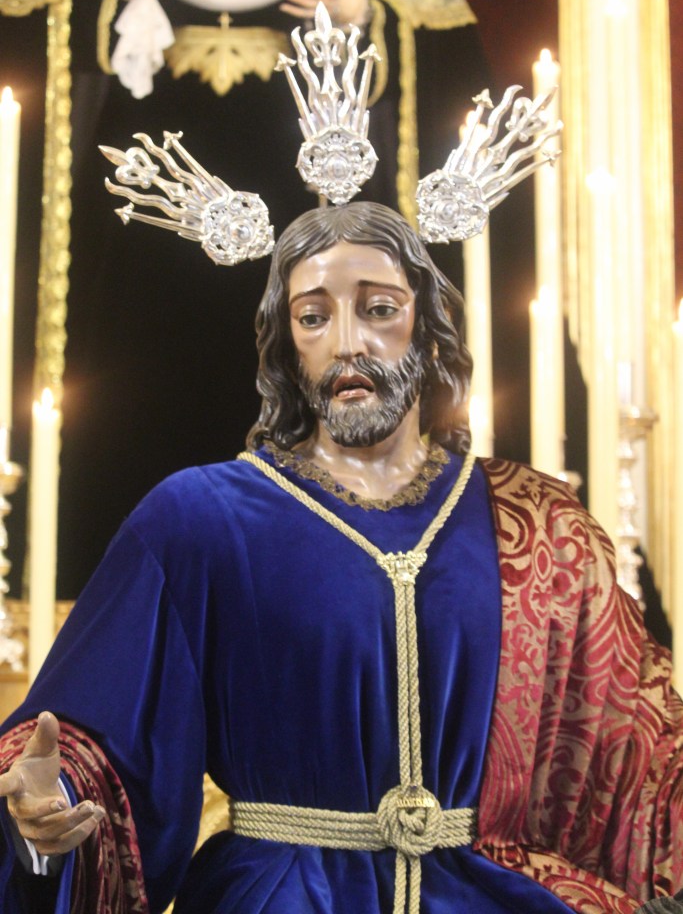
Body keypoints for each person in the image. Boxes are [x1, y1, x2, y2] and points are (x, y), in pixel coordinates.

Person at [0, 201, 682, 914]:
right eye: (313, 317)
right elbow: (100, 741)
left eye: (379, 309)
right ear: (287, 343)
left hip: (486, 895)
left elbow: (635, 754)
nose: (347, 342)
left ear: (428, 325)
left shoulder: (538, 523)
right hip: (283, 898)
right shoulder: (202, 518)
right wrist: (53, 801)